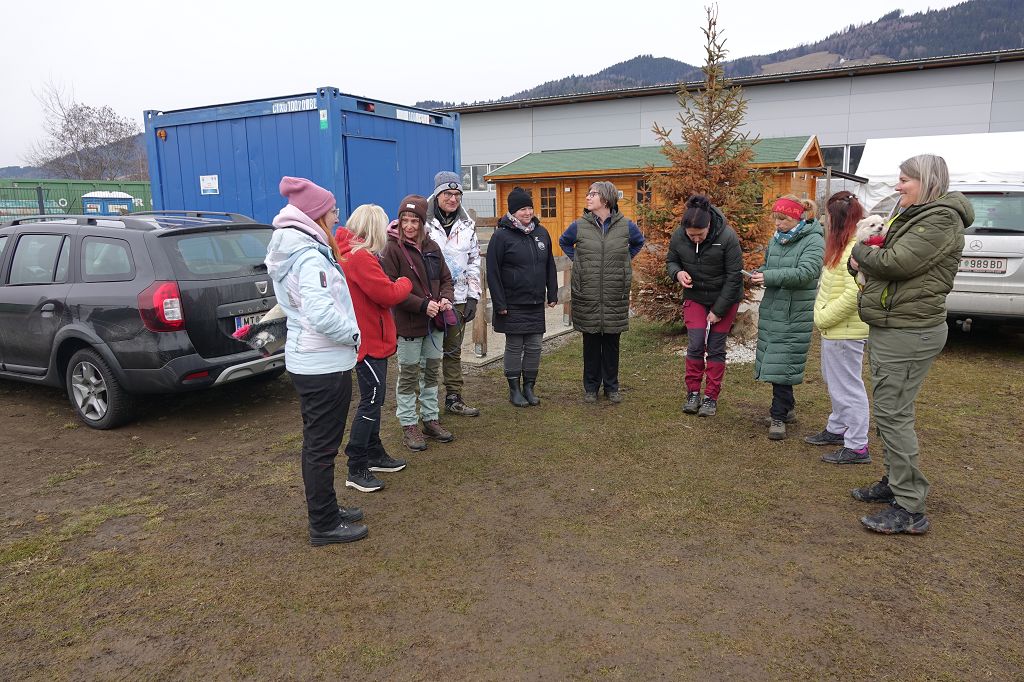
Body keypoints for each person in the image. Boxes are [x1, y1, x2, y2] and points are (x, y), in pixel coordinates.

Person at [849, 154, 970, 535]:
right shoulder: (915, 215)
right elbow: (884, 263)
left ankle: (910, 506)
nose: (897, 186)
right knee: (890, 410)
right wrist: (864, 262)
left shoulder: (939, 219)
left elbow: (895, 263)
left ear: (927, 181)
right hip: (895, 326)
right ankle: (894, 480)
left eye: (905, 180)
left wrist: (858, 252)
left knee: (893, 414)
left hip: (910, 331)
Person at [264, 176, 367, 546]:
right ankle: (323, 523)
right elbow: (321, 314)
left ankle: (327, 509)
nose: (337, 217)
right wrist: (354, 335)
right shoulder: (309, 257)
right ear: (316, 215)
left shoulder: (300, 251)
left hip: (313, 360)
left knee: (319, 443)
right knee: (322, 446)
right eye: (332, 211)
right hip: (322, 364)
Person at [335, 205, 414, 493]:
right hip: (368, 341)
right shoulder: (360, 257)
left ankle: (373, 452)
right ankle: (356, 465)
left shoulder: (348, 253)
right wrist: (404, 281)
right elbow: (387, 294)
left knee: (375, 398)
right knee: (371, 399)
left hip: (368, 337)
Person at [380, 194, 457, 451]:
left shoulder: (433, 247)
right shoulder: (391, 249)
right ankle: (409, 423)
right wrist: (422, 305)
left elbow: (446, 279)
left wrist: (446, 298)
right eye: (405, 220)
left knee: (431, 372)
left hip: (434, 324)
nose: (409, 226)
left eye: (415, 221)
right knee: (409, 376)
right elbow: (390, 288)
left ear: (423, 222)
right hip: (409, 325)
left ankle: (430, 419)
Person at [558, 181, 646, 403]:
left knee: (611, 343)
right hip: (587, 293)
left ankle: (611, 387)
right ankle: (590, 388)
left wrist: (624, 260)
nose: (588, 197)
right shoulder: (579, 225)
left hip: (614, 293)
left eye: (593, 194)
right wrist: (579, 260)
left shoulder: (626, 226)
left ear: (606, 199)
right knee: (590, 343)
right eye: (588, 194)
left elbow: (638, 243)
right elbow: (564, 242)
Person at [805, 191, 871, 464]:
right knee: (835, 381)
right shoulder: (842, 248)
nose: (825, 222)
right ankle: (838, 427)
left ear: (839, 220)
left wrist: (823, 317)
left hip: (845, 331)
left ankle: (857, 445)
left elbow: (854, 294)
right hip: (835, 330)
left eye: (828, 217)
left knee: (848, 387)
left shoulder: (854, 252)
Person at [751, 195, 824, 440]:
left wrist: (769, 277)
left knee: (783, 362)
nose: (777, 223)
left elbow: (807, 272)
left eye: (782, 219)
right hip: (774, 309)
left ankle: (778, 416)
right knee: (779, 361)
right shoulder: (777, 240)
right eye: (775, 218)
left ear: (797, 218)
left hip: (794, 312)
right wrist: (758, 274)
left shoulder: (813, 240)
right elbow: (769, 267)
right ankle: (787, 408)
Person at [665, 194, 744, 418]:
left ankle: (711, 397)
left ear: (709, 225)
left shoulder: (727, 236)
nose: (696, 239)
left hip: (725, 298)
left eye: (700, 234)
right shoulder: (679, 236)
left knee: (716, 346)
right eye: (691, 236)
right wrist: (677, 273)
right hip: (695, 296)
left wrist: (718, 310)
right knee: (696, 343)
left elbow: (734, 276)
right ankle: (693, 393)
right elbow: (671, 261)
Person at [486, 187, 559, 407]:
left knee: (535, 346)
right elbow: (493, 272)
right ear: (512, 212)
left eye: (529, 208)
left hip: (535, 301)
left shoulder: (541, 233)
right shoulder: (501, 236)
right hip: (512, 303)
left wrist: (552, 292)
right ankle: (514, 390)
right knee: (515, 346)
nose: (527, 213)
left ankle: (529, 387)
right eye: (522, 209)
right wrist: (499, 303)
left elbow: (549, 265)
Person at [424, 171, 482, 417]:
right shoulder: (423, 223)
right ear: (437, 195)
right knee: (427, 353)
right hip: (428, 299)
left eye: (457, 194)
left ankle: (453, 397)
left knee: (453, 350)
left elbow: (474, 261)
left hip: (457, 298)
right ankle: (425, 402)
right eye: (447, 194)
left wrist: (473, 296)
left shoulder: (467, 226)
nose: (453, 199)